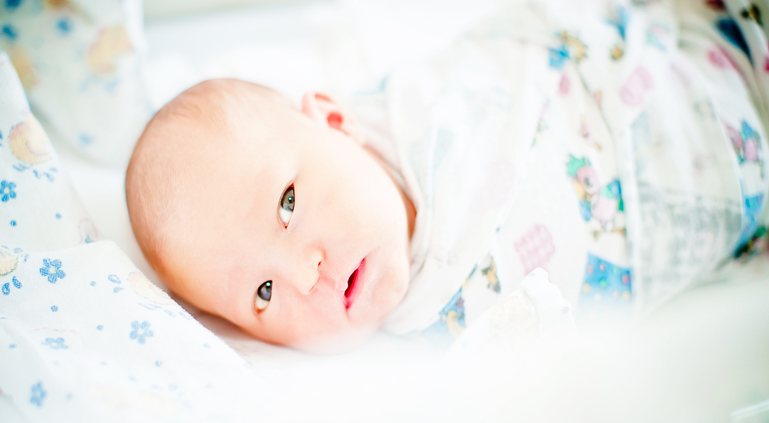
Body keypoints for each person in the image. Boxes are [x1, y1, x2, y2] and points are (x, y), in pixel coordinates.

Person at [126, 0, 769, 350]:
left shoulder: (428, 104)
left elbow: (530, 47)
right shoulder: (439, 350)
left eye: (287, 204)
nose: (304, 275)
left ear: (335, 120)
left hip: (706, 67)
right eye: (263, 294)